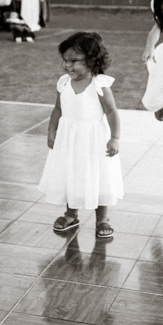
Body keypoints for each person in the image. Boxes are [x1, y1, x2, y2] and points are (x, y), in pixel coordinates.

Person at [38, 32, 123, 239]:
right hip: (69, 139)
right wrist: (52, 130)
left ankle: (102, 218)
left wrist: (115, 138)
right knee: (71, 173)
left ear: (92, 60)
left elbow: (111, 112)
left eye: (74, 61)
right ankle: (71, 214)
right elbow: (58, 108)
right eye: (65, 60)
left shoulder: (99, 84)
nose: (68, 65)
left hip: (94, 140)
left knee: (98, 175)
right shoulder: (64, 83)